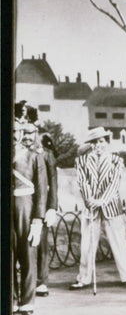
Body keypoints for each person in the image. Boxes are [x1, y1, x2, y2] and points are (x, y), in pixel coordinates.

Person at [70, 127, 126, 290]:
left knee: (119, 241)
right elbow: (82, 182)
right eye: (94, 142)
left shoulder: (117, 160)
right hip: (90, 206)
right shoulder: (81, 161)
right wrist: (91, 200)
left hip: (110, 206)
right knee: (87, 243)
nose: (98, 145)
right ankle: (83, 278)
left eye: (101, 141)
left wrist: (101, 200)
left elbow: (114, 183)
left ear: (107, 142)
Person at [12, 121, 47, 315]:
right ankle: (10, 299)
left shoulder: (34, 157)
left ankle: (26, 301)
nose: (16, 135)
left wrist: (38, 219)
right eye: (13, 131)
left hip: (26, 205)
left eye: (19, 131)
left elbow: (42, 191)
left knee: (27, 253)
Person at [34, 124, 59, 297]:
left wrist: (52, 207)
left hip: (41, 204)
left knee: (41, 243)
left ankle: (41, 281)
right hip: (22, 202)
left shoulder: (46, 154)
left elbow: (53, 183)